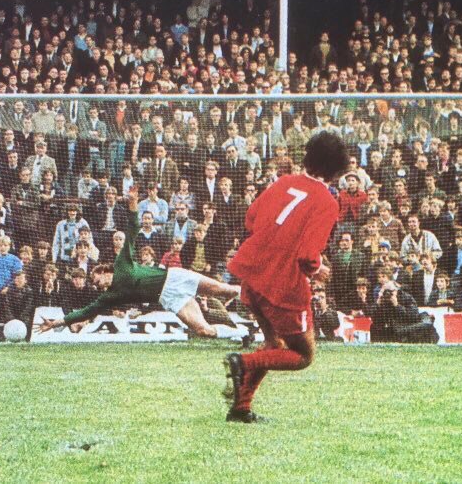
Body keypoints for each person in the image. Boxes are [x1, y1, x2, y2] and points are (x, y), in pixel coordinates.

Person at [223, 132, 349, 423]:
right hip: (282, 283)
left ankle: (241, 408)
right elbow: (307, 256)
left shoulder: (283, 181)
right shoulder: (327, 202)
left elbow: (251, 218)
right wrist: (319, 268)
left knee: (273, 345)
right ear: (336, 169)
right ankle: (242, 362)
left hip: (253, 272)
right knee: (302, 356)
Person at [35, 186, 247, 340]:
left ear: (105, 270)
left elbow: (132, 230)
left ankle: (261, 292)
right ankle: (243, 334)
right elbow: (84, 312)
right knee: (204, 330)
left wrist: (133, 204)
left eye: (96, 278)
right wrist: (56, 323)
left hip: (175, 277)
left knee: (225, 290)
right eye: (95, 283)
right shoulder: (110, 296)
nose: (96, 283)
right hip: (169, 298)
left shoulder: (122, 263)